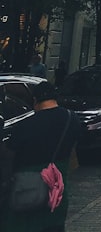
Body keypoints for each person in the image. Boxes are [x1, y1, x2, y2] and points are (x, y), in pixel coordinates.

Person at [3, 80, 81, 232]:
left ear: (35, 100)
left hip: (26, 188)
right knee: (54, 225)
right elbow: (73, 154)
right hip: (57, 188)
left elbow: (10, 153)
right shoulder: (72, 119)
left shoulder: (27, 125)